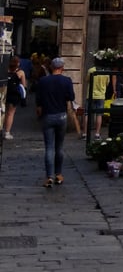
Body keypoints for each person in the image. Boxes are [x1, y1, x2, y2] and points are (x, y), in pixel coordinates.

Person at [35, 56, 75, 187]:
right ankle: (58, 174)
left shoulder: (43, 81)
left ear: (51, 67)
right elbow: (71, 96)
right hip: (61, 115)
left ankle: (49, 176)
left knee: (49, 147)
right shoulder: (66, 80)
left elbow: (38, 99)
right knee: (59, 147)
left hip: (48, 115)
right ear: (62, 68)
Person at [3, 56, 28, 139]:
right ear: (18, 63)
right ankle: (7, 132)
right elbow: (24, 85)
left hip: (4, 93)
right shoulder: (20, 72)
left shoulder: (4, 70)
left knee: (2, 112)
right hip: (14, 95)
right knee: (10, 113)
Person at [85, 64, 112, 138]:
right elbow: (107, 83)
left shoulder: (91, 70)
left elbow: (87, 80)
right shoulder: (106, 72)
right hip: (101, 95)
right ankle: (97, 134)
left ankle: (85, 133)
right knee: (99, 115)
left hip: (90, 95)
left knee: (87, 113)